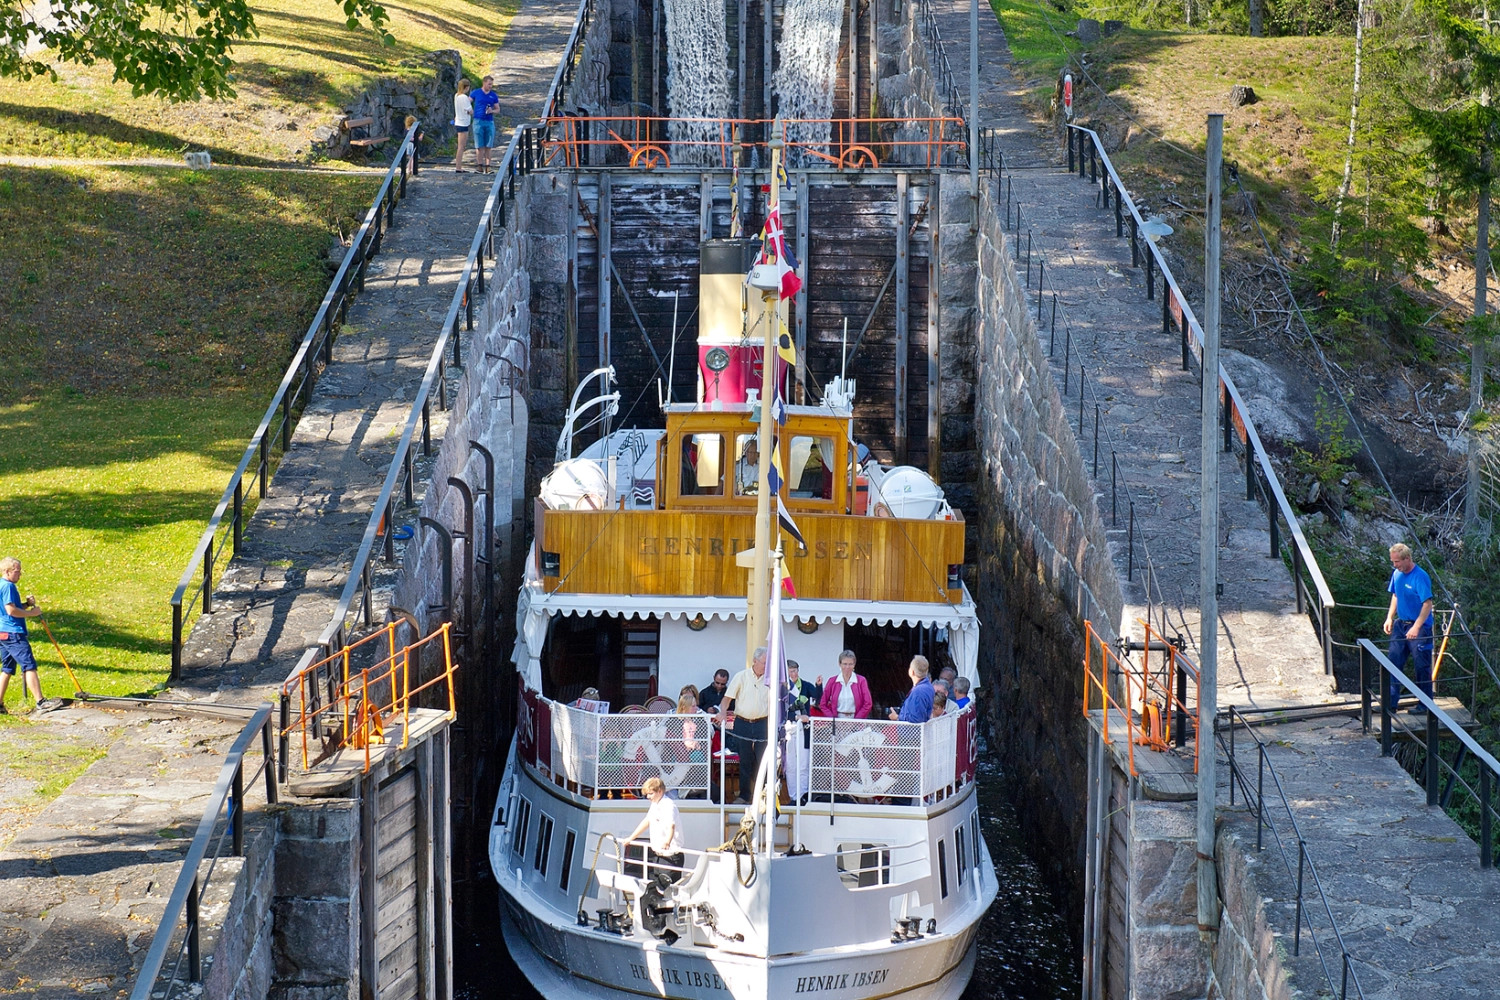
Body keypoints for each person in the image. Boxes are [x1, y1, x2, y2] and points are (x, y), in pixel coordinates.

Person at [1383, 542, 1435, 714]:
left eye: (1397, 562)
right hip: (1401, 624)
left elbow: (1427, 604)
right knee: (1393, 662)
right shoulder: (1396, 574)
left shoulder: (1420, 576)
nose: (1395, 565)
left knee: (1421, 666)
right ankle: (1390, 703)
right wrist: (1389, 617)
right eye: (1393, 562)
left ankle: (1425, 705)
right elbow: (1395, 595)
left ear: (1407, 559)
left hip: (1420, 626)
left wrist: (1416, 627)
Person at [719, 647, 770, 803]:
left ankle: (763, 796)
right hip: (742, 722)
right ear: (755, 661)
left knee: (763, 760)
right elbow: (726, 700)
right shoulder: (741, 676)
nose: (766, 666)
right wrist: (722, 713)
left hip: (763, 723)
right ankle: (744, 795)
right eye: (764, 662)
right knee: (745, 760)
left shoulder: (770, 679)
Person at [0, 558, 47, 711]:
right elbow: (10, 610)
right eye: (17, 571)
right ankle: (41, 702)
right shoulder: (8, 587)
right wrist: (31, 613)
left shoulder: (2, 585)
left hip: (3, 633)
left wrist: (25, 604)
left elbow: (11, 607)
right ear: (7, 571)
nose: (19, 574)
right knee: (29, 665)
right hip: (13, 633)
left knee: (7, 668)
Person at [625, 776, 686, 884]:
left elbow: (671, 826)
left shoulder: (668, 806)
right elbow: (647, 821)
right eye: (647, 794)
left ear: (659, 791)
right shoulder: (655, 804)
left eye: (650, 793)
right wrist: (630, 838)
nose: (648, 797)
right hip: (658, 855)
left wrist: (667, 842)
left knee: (668, 890)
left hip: (670, 857)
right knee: (656, 888)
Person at [819, 650, 872, 719]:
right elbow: (823, 704)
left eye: (850, 664)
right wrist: (833, 720)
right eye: (845, 664)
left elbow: (868, 704)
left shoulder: (861, 681)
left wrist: (857, 721)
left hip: (857, 721)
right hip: (837, 720)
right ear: (839, 664)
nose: (847, 667)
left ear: (854, 664)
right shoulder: (832, 681)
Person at [889, 655, 935, 723]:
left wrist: (897, 717)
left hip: (911, 732)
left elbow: (916, 719)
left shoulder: (919, 691)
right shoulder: (928, 686)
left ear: (912, 672)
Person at [471, 75, 500, 173]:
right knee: (479, 145)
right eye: (489, 84)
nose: (490, 86)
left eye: (491, 84)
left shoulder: (493, 95)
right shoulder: (476, 93)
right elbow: (467, 102)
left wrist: (492, 111)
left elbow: (498, 109)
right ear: (484, 83)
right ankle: (479, 165)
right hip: (478, 120)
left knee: (488, 145)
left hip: (489, 121)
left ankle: (488, 166)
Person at [452, 79, 473, 172]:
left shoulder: (456, 96)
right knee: (461, 146)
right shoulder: (464, 97)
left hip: (458, 121)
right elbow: (469, 110)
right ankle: (458, 167)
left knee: (461, 146)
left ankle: (458, 166)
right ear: (466, 87)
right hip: (463, 122)